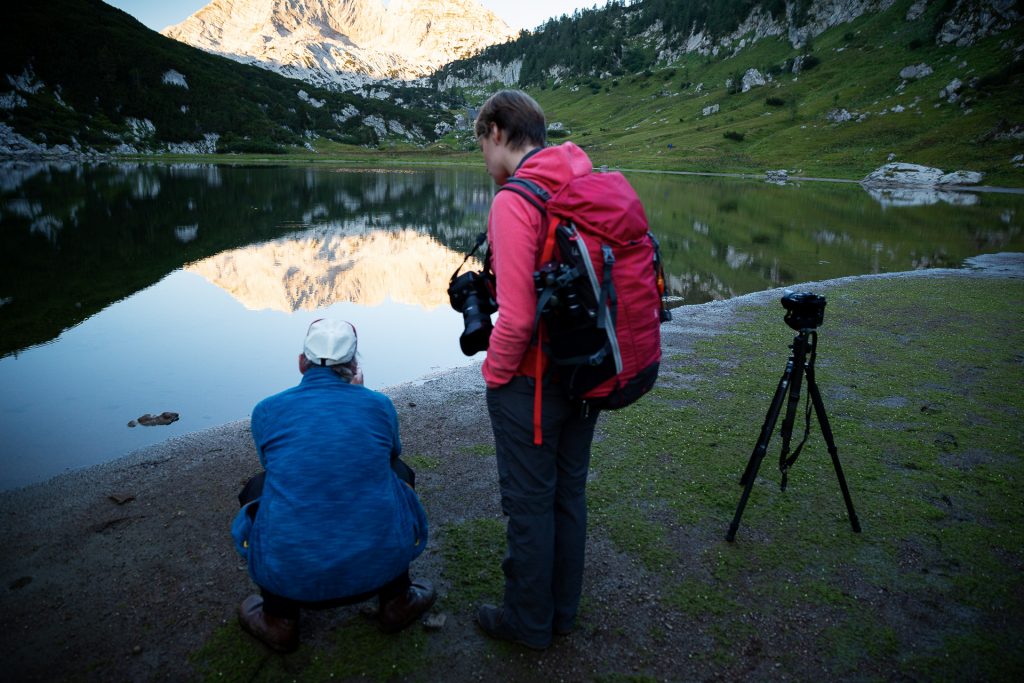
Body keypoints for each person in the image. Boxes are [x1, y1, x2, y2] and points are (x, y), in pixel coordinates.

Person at [473, 90, 602, 650]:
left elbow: (519, 317)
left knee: (529, 502)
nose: (482, 155)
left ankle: (527, 624)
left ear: (496, 132)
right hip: (589, 369)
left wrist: (494, 375)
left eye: (481, 143)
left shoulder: (515, 200)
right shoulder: (579, 179)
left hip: (534, 380)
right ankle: (562, 613)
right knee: (568, 495)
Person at [231, 318, 435, 653]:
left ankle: (279, 620)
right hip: (378, 574)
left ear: (301, 362)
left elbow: (277, 466)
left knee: (259, 489)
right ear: (354, 364)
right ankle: (397, 601)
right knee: (399, 474)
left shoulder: (267, 410)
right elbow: (390, 454)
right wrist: (357, 397)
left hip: (291, 581)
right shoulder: (378, 405)